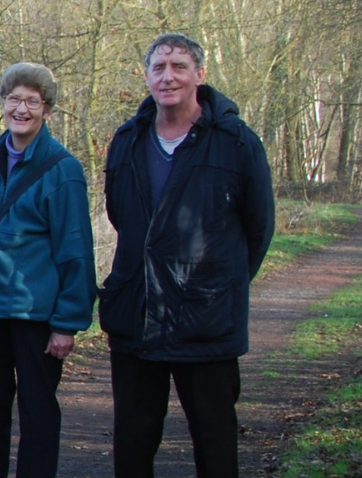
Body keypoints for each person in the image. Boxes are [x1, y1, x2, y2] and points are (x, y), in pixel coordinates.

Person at [101, 33, 273, 478]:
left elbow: (258, 228)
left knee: (215, 444)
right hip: (137, 315)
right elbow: (122, 217)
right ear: (146, 77)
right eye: (158, 68)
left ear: (200, 74)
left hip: (207, 321)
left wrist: (219, 282)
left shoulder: (236, 142)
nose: (168, 76)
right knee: (133, 443)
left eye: (179, 67)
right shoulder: (126, 141)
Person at [0, 63, 96, 478]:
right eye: (14, 99)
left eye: (31, 101)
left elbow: (76, 252)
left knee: (38, 416)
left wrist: (67, 324)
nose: (21, 109)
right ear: (2, 104)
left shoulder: (63, 170)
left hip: (37, 318)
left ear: (46, 110)